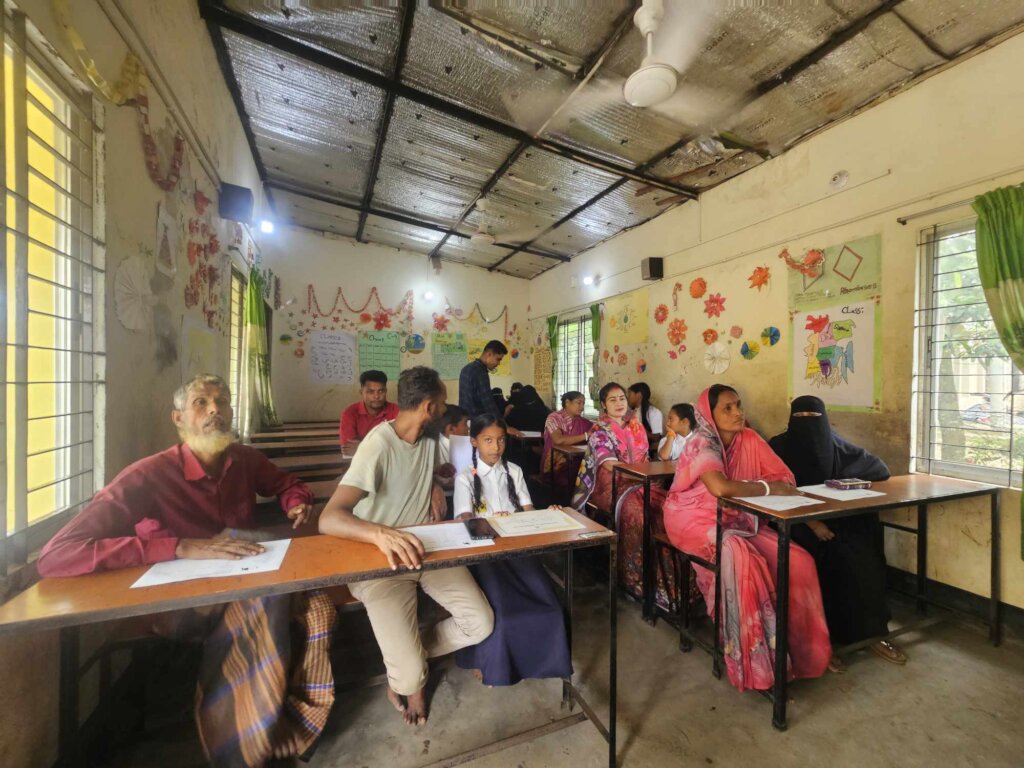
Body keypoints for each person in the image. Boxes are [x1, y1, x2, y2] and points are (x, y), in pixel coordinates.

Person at [37, 374, 333, 765]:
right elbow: (56, 555)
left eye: (222, 401)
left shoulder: (243, 460)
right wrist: (178, 546)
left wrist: (295, 501)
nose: (215, 410)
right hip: (179, 601)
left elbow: (286, 483)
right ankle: (244, 743)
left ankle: (293, 717)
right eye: (201, 403)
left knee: (319, 606)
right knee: (265, 599)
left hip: (242, 578)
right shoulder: (148, 474)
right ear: (178, 418)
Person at [319, 366, 494, 727]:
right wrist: (381, 534)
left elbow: (442, 468)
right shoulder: (378, 445)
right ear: (429, 408)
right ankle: (409, 672)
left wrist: (433, 483)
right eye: (443, 404)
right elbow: (329, 518)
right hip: (380, 560)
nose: (446, 410)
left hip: (427, 549)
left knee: (480, 623)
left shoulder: (428, 438)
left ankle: (412, 655)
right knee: (410, 679)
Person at [661, 384, 832, 692]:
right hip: (691, 518)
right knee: (742, 559)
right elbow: (721, 488)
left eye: (738, 405)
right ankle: (755, 661)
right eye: (727, 408)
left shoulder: (749, 440)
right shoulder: (702, 442)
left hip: (737, 518)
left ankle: (804, 653)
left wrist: (806, 516)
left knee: (800, 562)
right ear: (709, 414)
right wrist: (768, 489)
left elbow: (783, 480)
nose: (738, 412)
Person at [769, 395, 906, 665]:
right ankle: (818, 645)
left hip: (834, 519)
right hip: (794, 521)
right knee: (811, 559)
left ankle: (871, 633)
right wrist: (813, 522)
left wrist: (843, 482)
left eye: (814, 419)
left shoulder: (836, 444)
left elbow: (879, 469)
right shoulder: (777, 447)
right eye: (801, 418)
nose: (808, 425)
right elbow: (771, 487)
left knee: (862, 553)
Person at [452, 414, 572, 685]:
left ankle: (544, 660)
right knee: (504, 614)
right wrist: (492, 522)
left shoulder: (514, 471)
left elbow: (529, 511)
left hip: (519, 551)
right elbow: (465, 520)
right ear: (474, 442)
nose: (496, 447)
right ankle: (489, 659)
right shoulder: (465, 477)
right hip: (487, 556)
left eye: (501, 440)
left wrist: (549, 514)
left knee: (552, 608)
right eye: (488, 440)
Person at [572, 382, 648, 514]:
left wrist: (648, 478)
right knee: (637, 512)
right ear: (603, 404)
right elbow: (609, 464)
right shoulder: (599, 429)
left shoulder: (636, 426)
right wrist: (641, 476)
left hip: (643, 481)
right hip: (613, 484)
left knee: (665, 506)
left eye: (622, 399)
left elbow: (645, 457)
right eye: (613, 400)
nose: (619, 403)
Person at [458, 341, 517, 434]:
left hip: (464, 423)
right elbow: (489, 404)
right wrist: (505, 427)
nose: (499, 363)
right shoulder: (481, 373)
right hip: (478, 425)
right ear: (489, 354)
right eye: (498, 359)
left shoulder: (466, 368)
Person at [541, 391, 593, 491]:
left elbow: (595, 431)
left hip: (575, 463)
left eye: (583, 403)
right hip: (555, 464)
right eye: (579, 403)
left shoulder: (583, 422)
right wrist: (586, 436)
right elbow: (558, 440)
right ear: (567, 402)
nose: (582, 407)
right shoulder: (554, 418)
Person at [339, 369, 399, 448]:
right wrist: (386, 444)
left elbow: (402, 444)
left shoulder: (396, 410)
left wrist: (361, 445)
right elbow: (349, 448)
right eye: (371, 392)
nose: (376, 396)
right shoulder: (350, 413)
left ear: (386, 391)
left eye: (381, 391)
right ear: (361, 392)